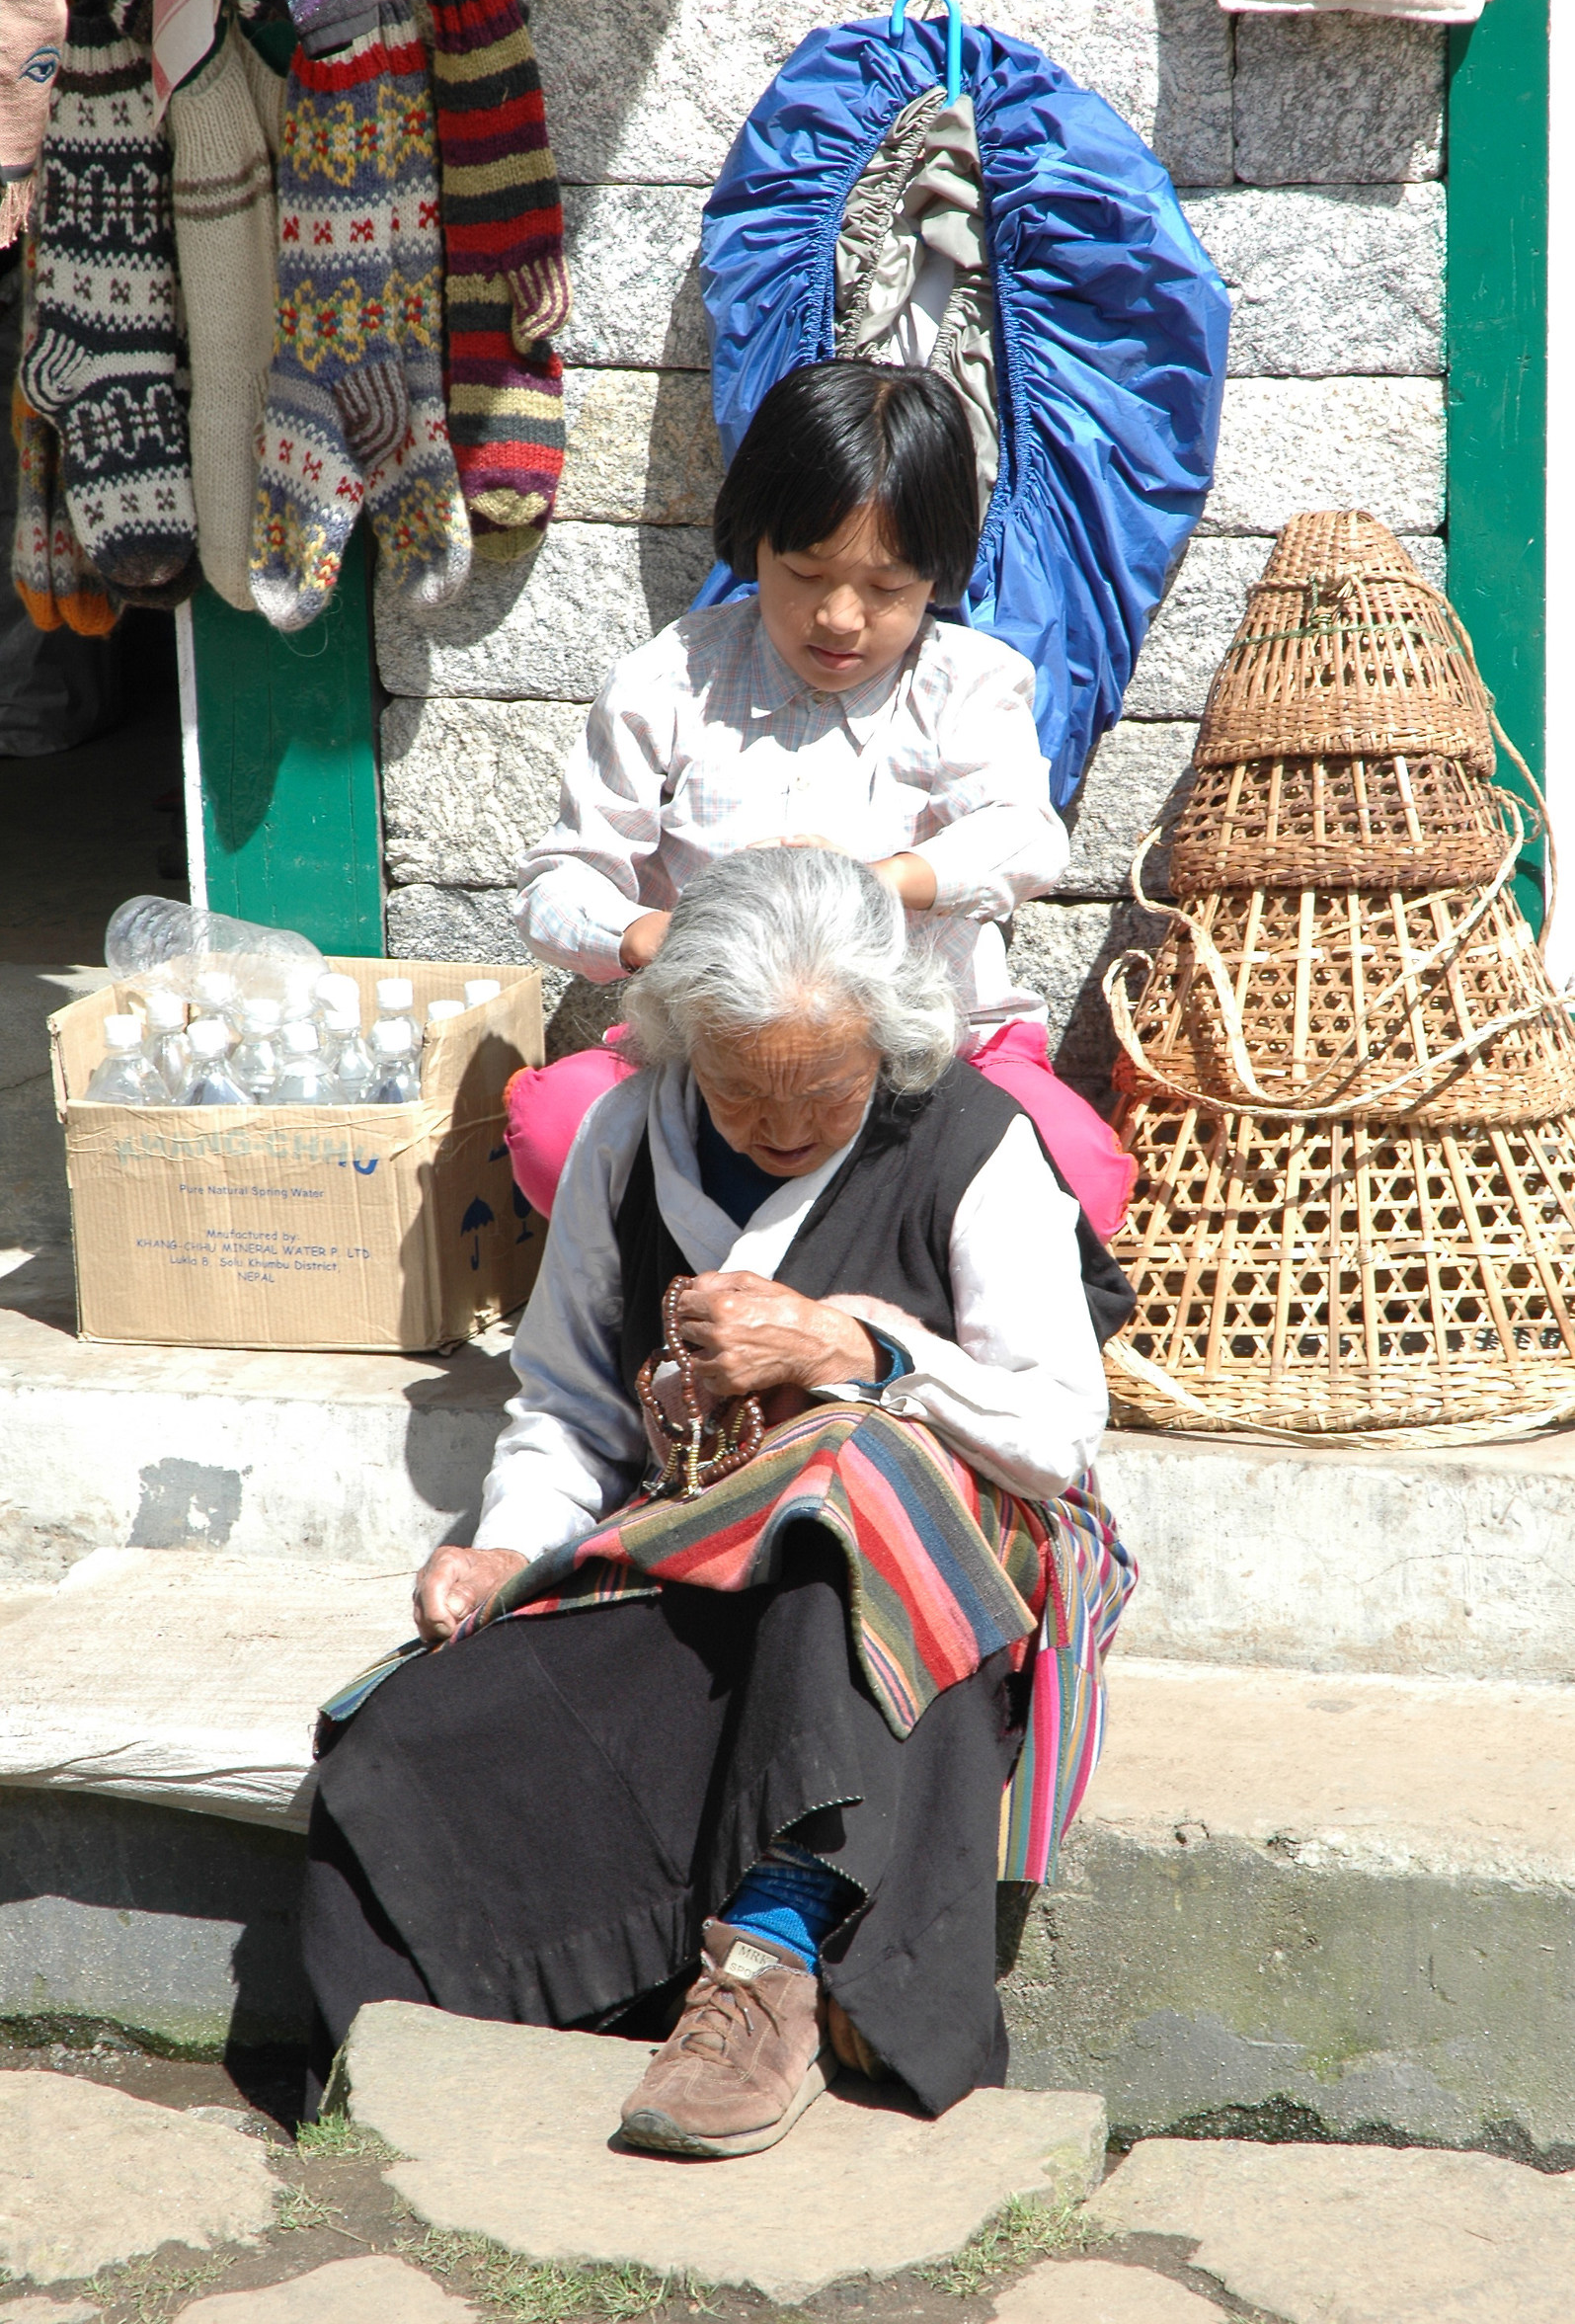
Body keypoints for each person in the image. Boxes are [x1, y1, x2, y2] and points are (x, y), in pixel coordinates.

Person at [304, 849, 1134, 2156]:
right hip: (701, 1534)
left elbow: (1052, 1435)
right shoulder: (628, 1137)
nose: (779, 1125)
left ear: (886, 1043)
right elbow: (567, 1405)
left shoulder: (974, 1144)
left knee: (836, 1467)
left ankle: (777, 1957)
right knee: (394, 1745)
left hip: (941, 1574)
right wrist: (504, 1544)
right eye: (739, 1090)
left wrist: (857, 1356)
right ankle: (529, 2015)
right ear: (681, 1042)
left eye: (821, 1090)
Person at [503, 361, 1137, 1239]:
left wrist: (878, 883)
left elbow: (1025, 837)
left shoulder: (969, 682)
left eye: (887, 589)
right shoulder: (670, 679)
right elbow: (554, 886)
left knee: (1078, 1179)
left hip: (932, 1057)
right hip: (719, 1063)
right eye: (804, 572)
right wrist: (649, 935)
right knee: (553, 1133)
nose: (840, 618)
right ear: (752, 541)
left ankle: (880, 1320)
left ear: (939, 574)